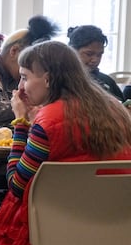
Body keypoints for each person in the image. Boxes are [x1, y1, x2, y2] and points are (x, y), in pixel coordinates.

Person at [8, 40, 131, 196]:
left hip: (52, 218)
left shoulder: (47, 122)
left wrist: (21, 123)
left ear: (48, 80)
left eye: (25, 77)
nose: (20, 87)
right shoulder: (115, 108)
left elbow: (17, 187)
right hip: (117, 213)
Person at [67, 24, 123, 101]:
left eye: (100, 55)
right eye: (89, 54)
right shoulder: (60, 82)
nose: (95, 60)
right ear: (72, 51)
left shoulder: (107, 81)